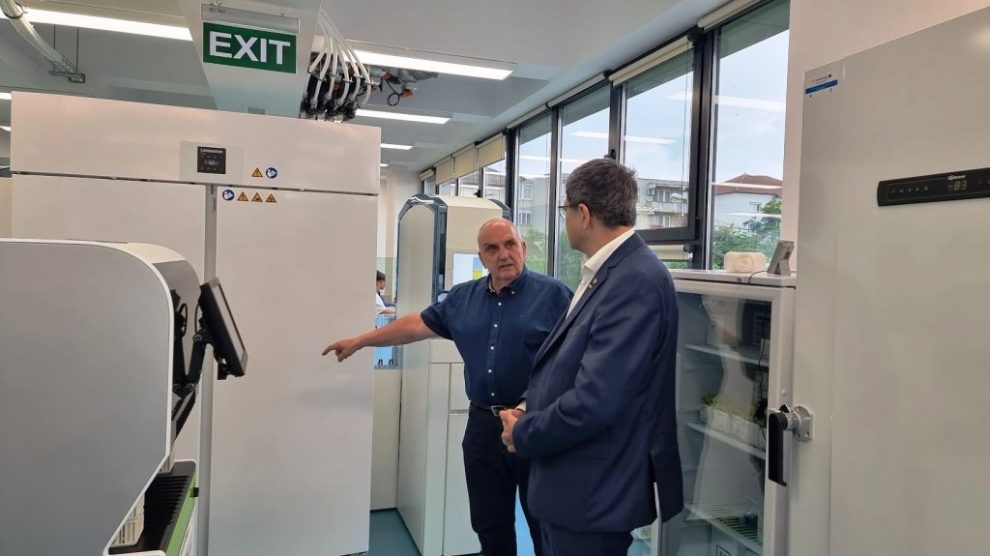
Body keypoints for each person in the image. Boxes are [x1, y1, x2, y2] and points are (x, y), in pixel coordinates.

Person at [324, 218, 571, 556]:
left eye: (510, 244)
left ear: (523, 248)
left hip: (535, 422)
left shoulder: (554, 296)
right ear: (482, 257)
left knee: (545, 524)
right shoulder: (463, 298)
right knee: (489, 523)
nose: (503, 254)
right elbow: (416, 325)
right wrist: (362, 340)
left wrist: (529, 407)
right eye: (492, 248)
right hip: (483, 427)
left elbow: (571, 361)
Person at [499, 158, 683, 556]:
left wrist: (523, 432)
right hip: (574, 488)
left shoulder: (635, 280)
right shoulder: (607, 272)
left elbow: (596, 401)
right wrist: (528, 406)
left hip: (593, 493)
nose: (565, 220)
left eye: (565, 211)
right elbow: (569, 363)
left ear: (583, 214)